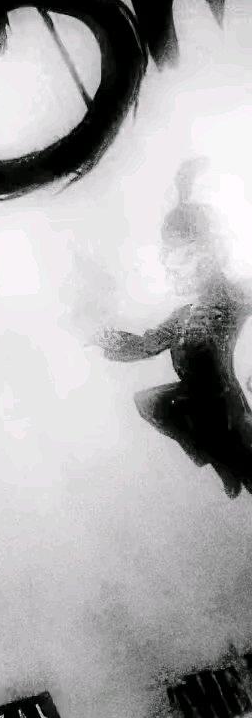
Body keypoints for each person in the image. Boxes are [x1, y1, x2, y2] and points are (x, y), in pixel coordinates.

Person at [99, 159, 252, 498]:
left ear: (210, 252)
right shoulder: (182, 317)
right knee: (150, 403)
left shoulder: (237, 296)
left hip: (234, 412)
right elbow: (145, 345)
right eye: (168, 258)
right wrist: (107, 339)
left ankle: (229, 463)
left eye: (180, 257)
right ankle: (223, 464)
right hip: (206, 416)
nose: (171, 268)